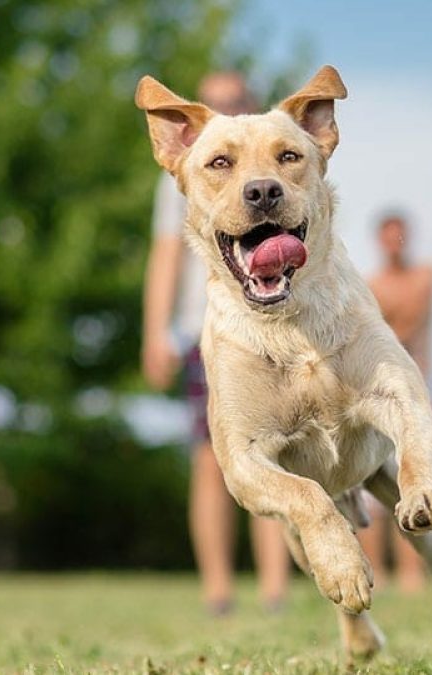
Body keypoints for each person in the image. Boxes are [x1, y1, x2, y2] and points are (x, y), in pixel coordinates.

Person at [141, 71, 290, 615]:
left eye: (237, 100)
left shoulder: (274, 169)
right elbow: (166, 255)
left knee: (272, 455)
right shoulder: (185, 170)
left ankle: (276, 589)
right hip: (205, 332)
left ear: (252, 105)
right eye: (217, 102)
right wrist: (154, 332)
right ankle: (218, 590)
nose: (228, 108)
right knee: (210, 460)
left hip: (270, 325)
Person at [357, 211, 432, 593]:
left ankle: (412, 574)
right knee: (373, 482)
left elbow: (417, 329)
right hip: (378, 380)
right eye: (388, 236)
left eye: (399, 235)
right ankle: (378, 571)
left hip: (419, 378)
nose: (394, 243)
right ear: (379, 241)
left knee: (417, 472)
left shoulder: (426, 277)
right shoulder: (370, 285)